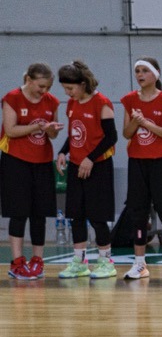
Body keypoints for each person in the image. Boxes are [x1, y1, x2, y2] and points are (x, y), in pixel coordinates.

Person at [120, 58, 162, 281]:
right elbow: (126, 133)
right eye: (137, 71)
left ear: (156, 74)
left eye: (144, 71)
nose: (139, 74)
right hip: (137, 162)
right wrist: (135, 122)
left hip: (161, 162)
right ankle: (140, 264)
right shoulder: (129, 100)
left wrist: (147, 124)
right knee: (138, 212)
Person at [56, 60, 117, 280]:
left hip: (98, 166)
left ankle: (106, 262)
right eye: (65, 88)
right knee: (76, 216)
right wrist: (63, 152)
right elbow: (74, 134)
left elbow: (111, 137)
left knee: (98, 217)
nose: (67, 92)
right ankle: (79, 263)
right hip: (76, 166)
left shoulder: (102, 103)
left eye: (70, 88)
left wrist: (90, 159)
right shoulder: (72, 104)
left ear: (83, 84)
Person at [2, 63, 62, 279]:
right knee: (18, 213)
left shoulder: (52, 101)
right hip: (16, 161)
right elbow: (10, 130)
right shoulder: (12, 98)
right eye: (41, 86)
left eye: (48, 87)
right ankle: (17, 262)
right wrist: (37, 127)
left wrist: (51, 130)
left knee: (39, 214)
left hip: (42, 162)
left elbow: (52, 135)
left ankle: (37, 261)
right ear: (28, 80)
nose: (44, 91)